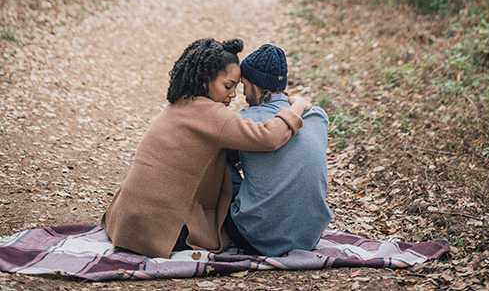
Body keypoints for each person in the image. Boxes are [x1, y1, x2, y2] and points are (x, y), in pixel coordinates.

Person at [102, 38, 312, 258]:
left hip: (126, 224)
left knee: (225, 164)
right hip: (159, 233)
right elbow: (268, 138)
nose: (233, 94)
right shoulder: (213, 115)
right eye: (228, 86)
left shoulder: (181, 102)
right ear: (205, 81)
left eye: (236, 87)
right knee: (238, 207)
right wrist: (297, 106)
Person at [224, 43, 333, 256]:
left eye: (244, 85)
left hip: (254, 237)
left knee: (216, 159)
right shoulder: (318, 117)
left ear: (254, 87)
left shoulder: (244, 121)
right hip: (309, 237)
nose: (243, 94)